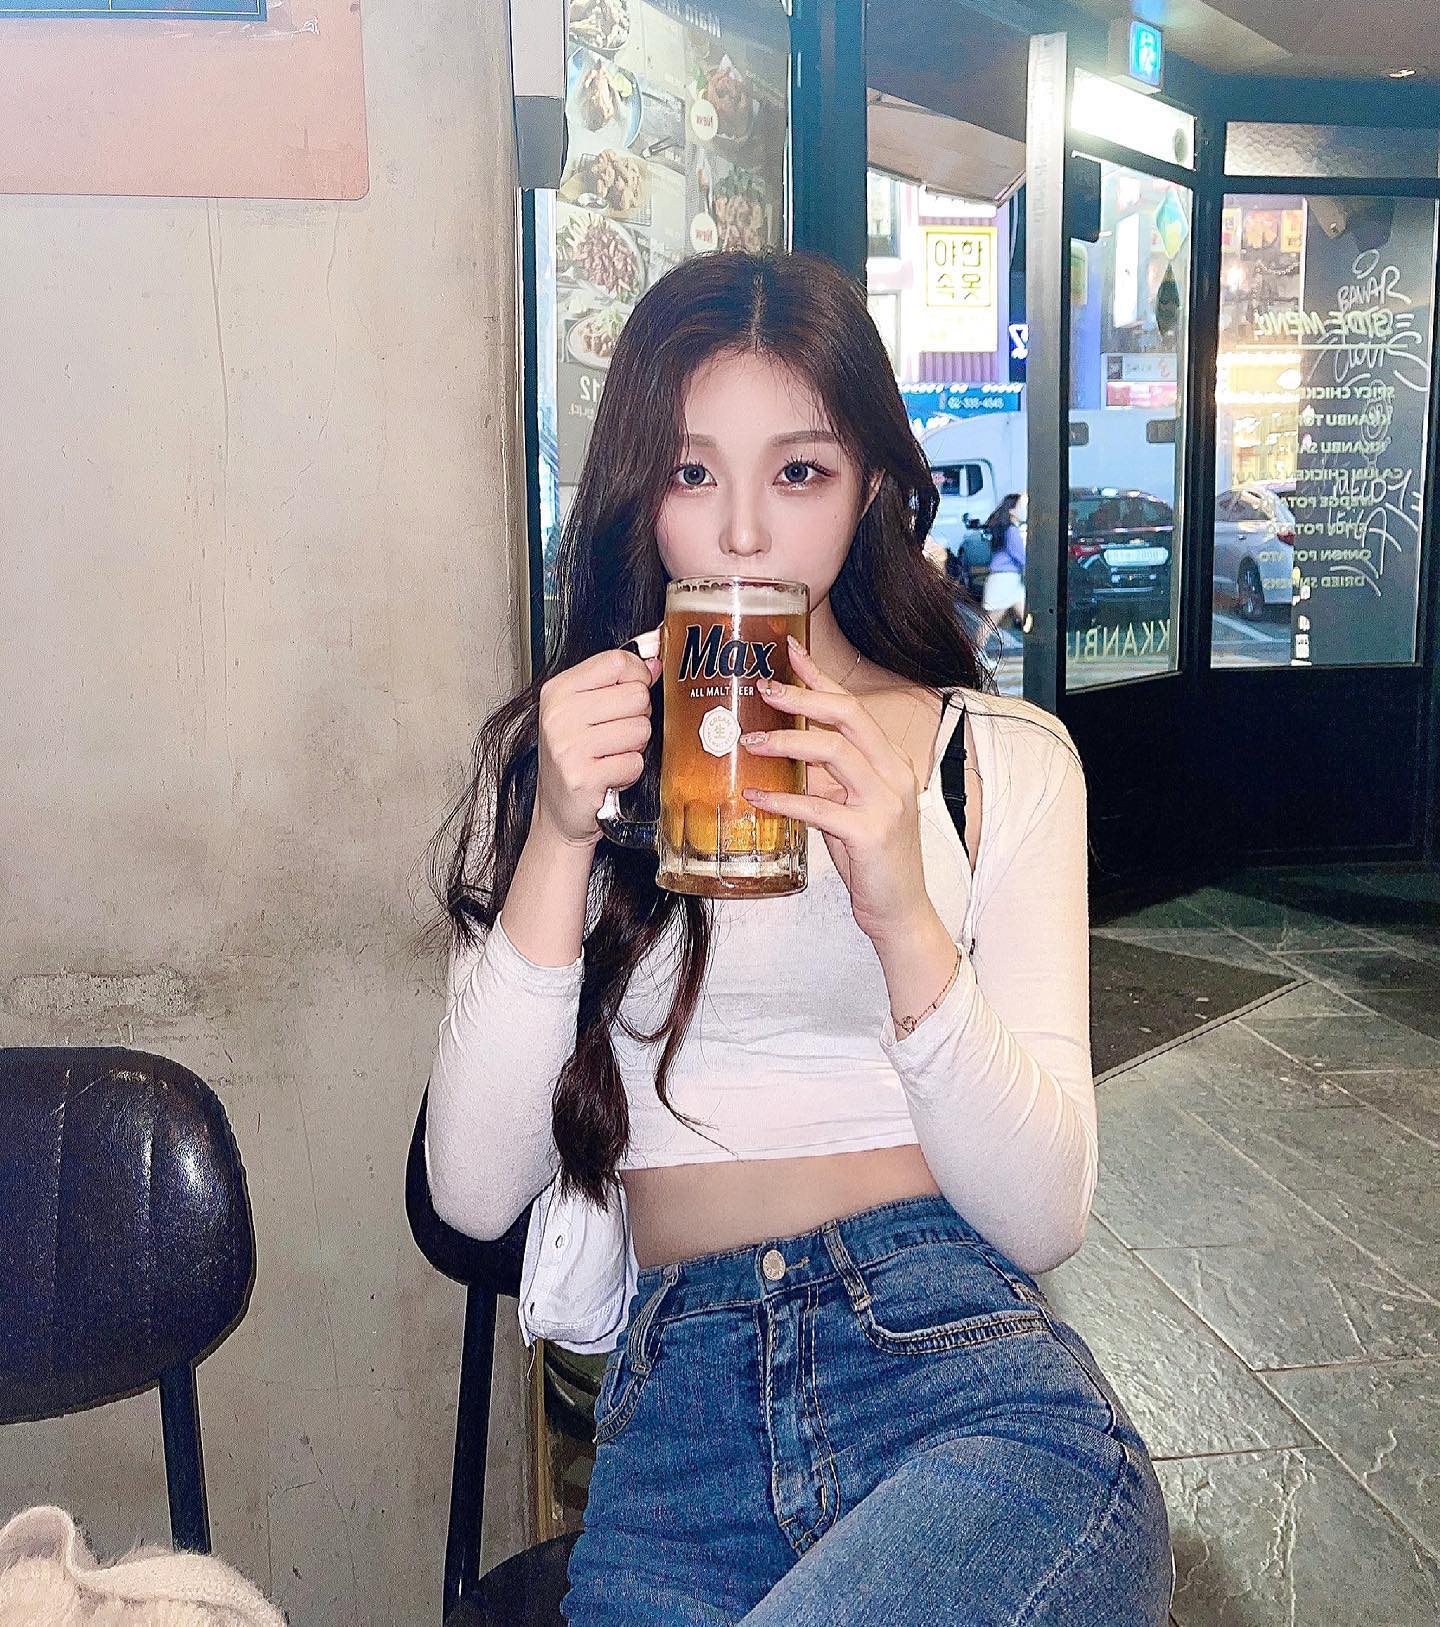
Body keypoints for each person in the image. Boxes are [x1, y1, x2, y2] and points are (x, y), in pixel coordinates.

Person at [423, 250, 1173, 1624]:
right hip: (678, 1419)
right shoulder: (563, 761)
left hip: (954, 1364)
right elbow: (472, 1191)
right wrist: (560, 832)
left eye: (800, 472)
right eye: (692, 471)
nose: (743, 536)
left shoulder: (994, 761)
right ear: (639, 489)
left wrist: (900, 906)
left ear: (872, 483)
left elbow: (1044, 1212)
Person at [980, 491, 1033, 636]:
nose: (1024, 510)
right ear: (1011, 510)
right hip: (1005, 579)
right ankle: (974, 647)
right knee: (993, 619)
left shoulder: (1005, 529)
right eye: (1021, 506)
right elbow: (1020, 555)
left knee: (1026, 616)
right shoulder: (1011, 531)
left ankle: (1039, 643)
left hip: (1005, 578)